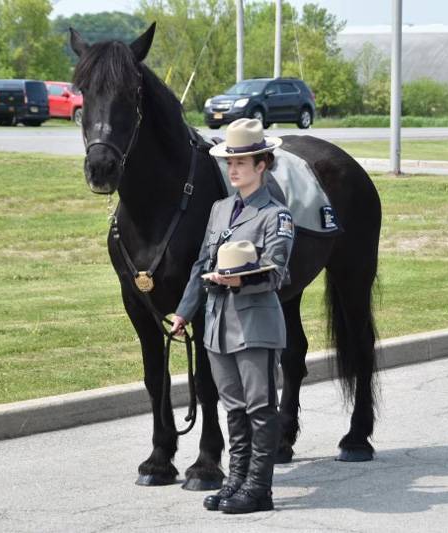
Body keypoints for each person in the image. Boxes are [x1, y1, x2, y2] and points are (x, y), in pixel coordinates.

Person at [170, 118, 294, 514]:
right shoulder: (220, 209)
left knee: (260, 407)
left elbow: (278, 271)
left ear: (262, 165)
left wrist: (241, 281)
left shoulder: (276, 215)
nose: (233, 168)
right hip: (218, 325)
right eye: (229, 161)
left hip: (255, 323)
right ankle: (236, 481)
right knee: (233, 407)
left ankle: (260, 488)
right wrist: (185, 313)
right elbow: (201, 264)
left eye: (242, 161)